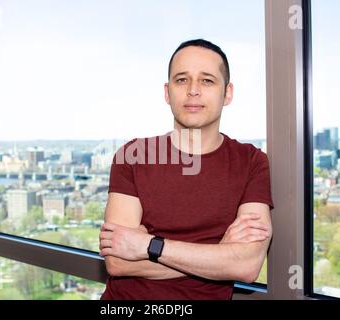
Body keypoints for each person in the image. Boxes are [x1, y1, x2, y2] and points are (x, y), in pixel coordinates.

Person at [99, 39, 274, 300]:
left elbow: (246, 266)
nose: (193, 90)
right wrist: (220, 252)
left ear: (227, 93)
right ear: (167, 92)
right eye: (182, 80)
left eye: (207, 80)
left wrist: (148, 245)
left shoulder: (251, 161)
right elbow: (118, 262)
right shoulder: (132, 156)